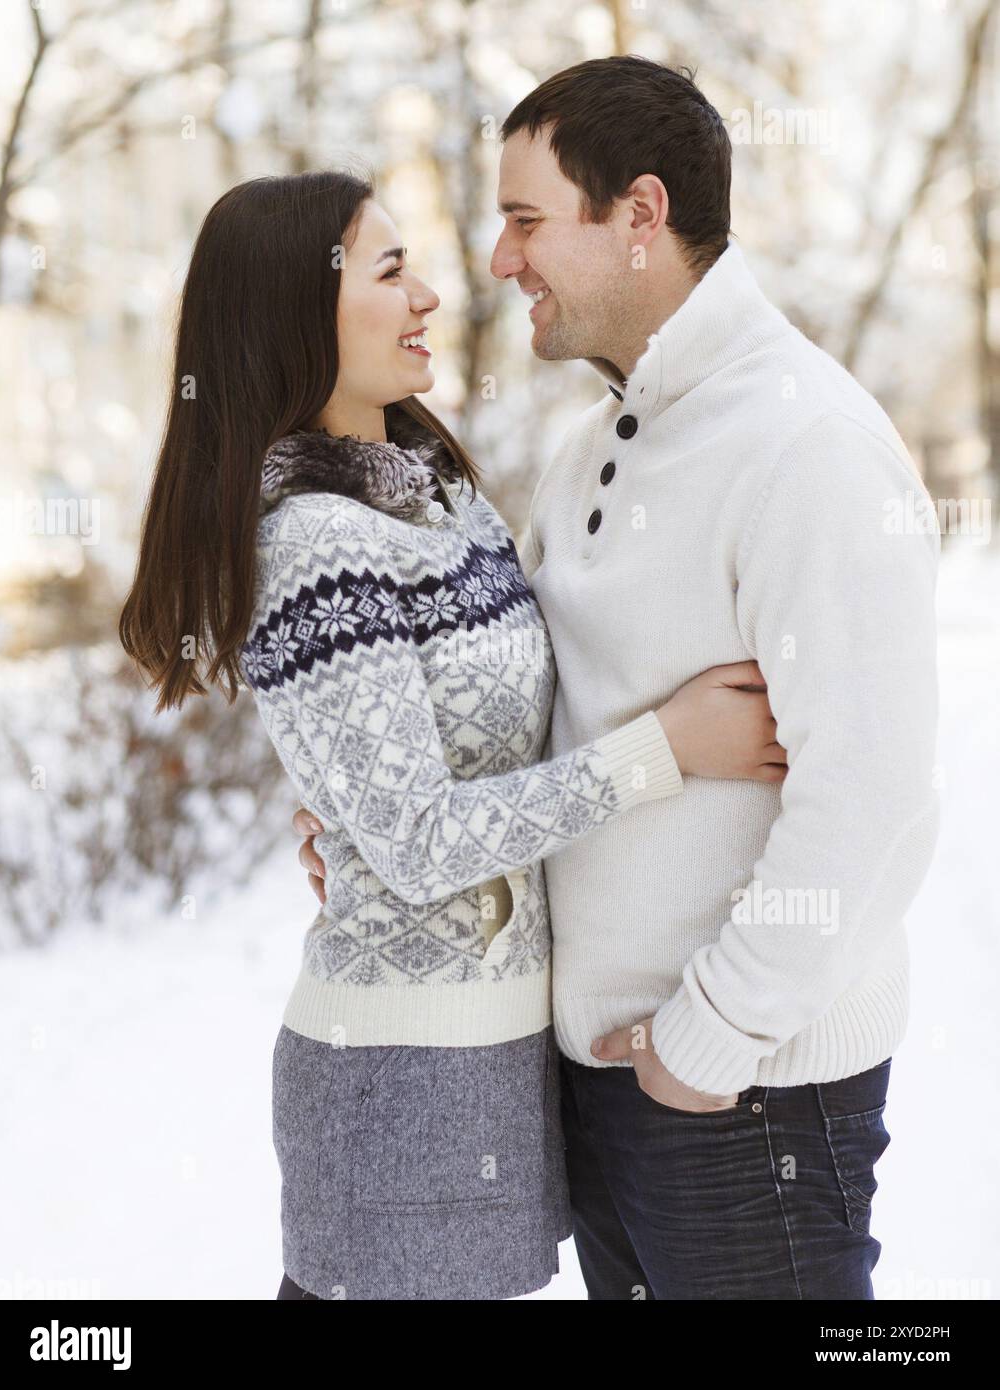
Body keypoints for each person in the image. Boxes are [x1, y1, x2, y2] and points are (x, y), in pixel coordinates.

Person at [299, 57, 941, 1299]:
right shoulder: (599, 442)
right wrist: (385, 812)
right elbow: (544, 719)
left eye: (528, 219)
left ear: (640, 217)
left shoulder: (807, 446)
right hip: (608, 1087)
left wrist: (712, 1038)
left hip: (748, 1103)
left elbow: (877, 800)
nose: (497, 260)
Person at [118, 169, 786, 1300]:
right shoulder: (318, 543)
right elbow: (422, 841)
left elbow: (463, 765)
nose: (432, 295)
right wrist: (665, 747)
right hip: (402, 1077)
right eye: (391, 272)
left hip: (487, 1060)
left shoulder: (436, 494)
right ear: (297, 311)